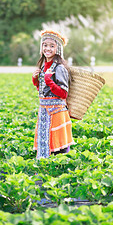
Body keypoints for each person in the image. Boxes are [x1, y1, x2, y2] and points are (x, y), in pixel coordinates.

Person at [32, 29, 75, 159]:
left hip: (56, 112)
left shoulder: (60, 68)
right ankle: (46, 173)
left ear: (58, 49)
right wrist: (36, 80)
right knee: (47, 146)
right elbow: (44, 91)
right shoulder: (45, 66)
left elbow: (63, 93)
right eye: (45, 45)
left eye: (52, 46)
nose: (47, 49)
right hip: (45, 111)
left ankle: (60, 174)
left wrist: (49, 81)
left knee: (59, 148)